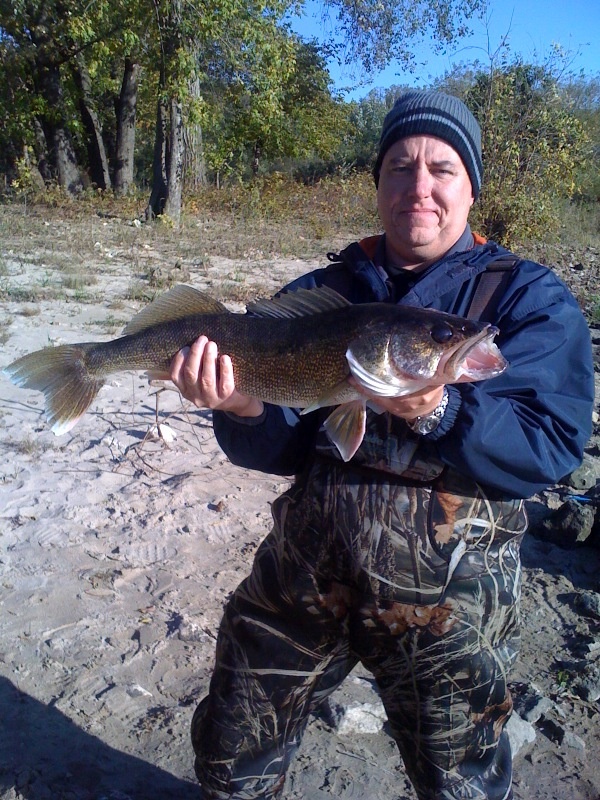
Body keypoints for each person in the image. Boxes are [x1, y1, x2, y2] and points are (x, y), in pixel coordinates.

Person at [169, 91, 595, 800]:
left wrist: (443, 411)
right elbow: (279, 448)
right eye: (400, 166)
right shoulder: (323, 290)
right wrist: (244, 405)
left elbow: (549, 446)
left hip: (447, 609)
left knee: (459, 785)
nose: (418, 186)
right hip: (304, 575)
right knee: (227, 753)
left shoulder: (529, 300)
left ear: (472, 186)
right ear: (378, 184)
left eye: (442, 167)